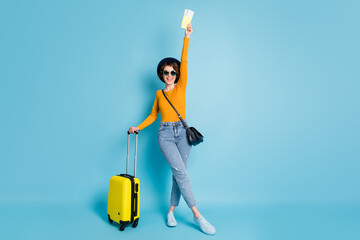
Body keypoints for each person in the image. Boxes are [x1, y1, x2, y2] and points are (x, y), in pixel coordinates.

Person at [128, 23, 216, 235]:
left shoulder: (181, 86)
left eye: (173, 72)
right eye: (166, 72)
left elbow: (184, 60)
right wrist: (138, 127)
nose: (170, 75)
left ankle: (170, 212)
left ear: (177, 74)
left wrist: (187, 37)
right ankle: (197, 215)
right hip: (165, 134)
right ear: (161, 74)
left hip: (182, 134)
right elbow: (153, 115)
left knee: (180, 174)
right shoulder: (159, 94)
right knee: (181, 173)